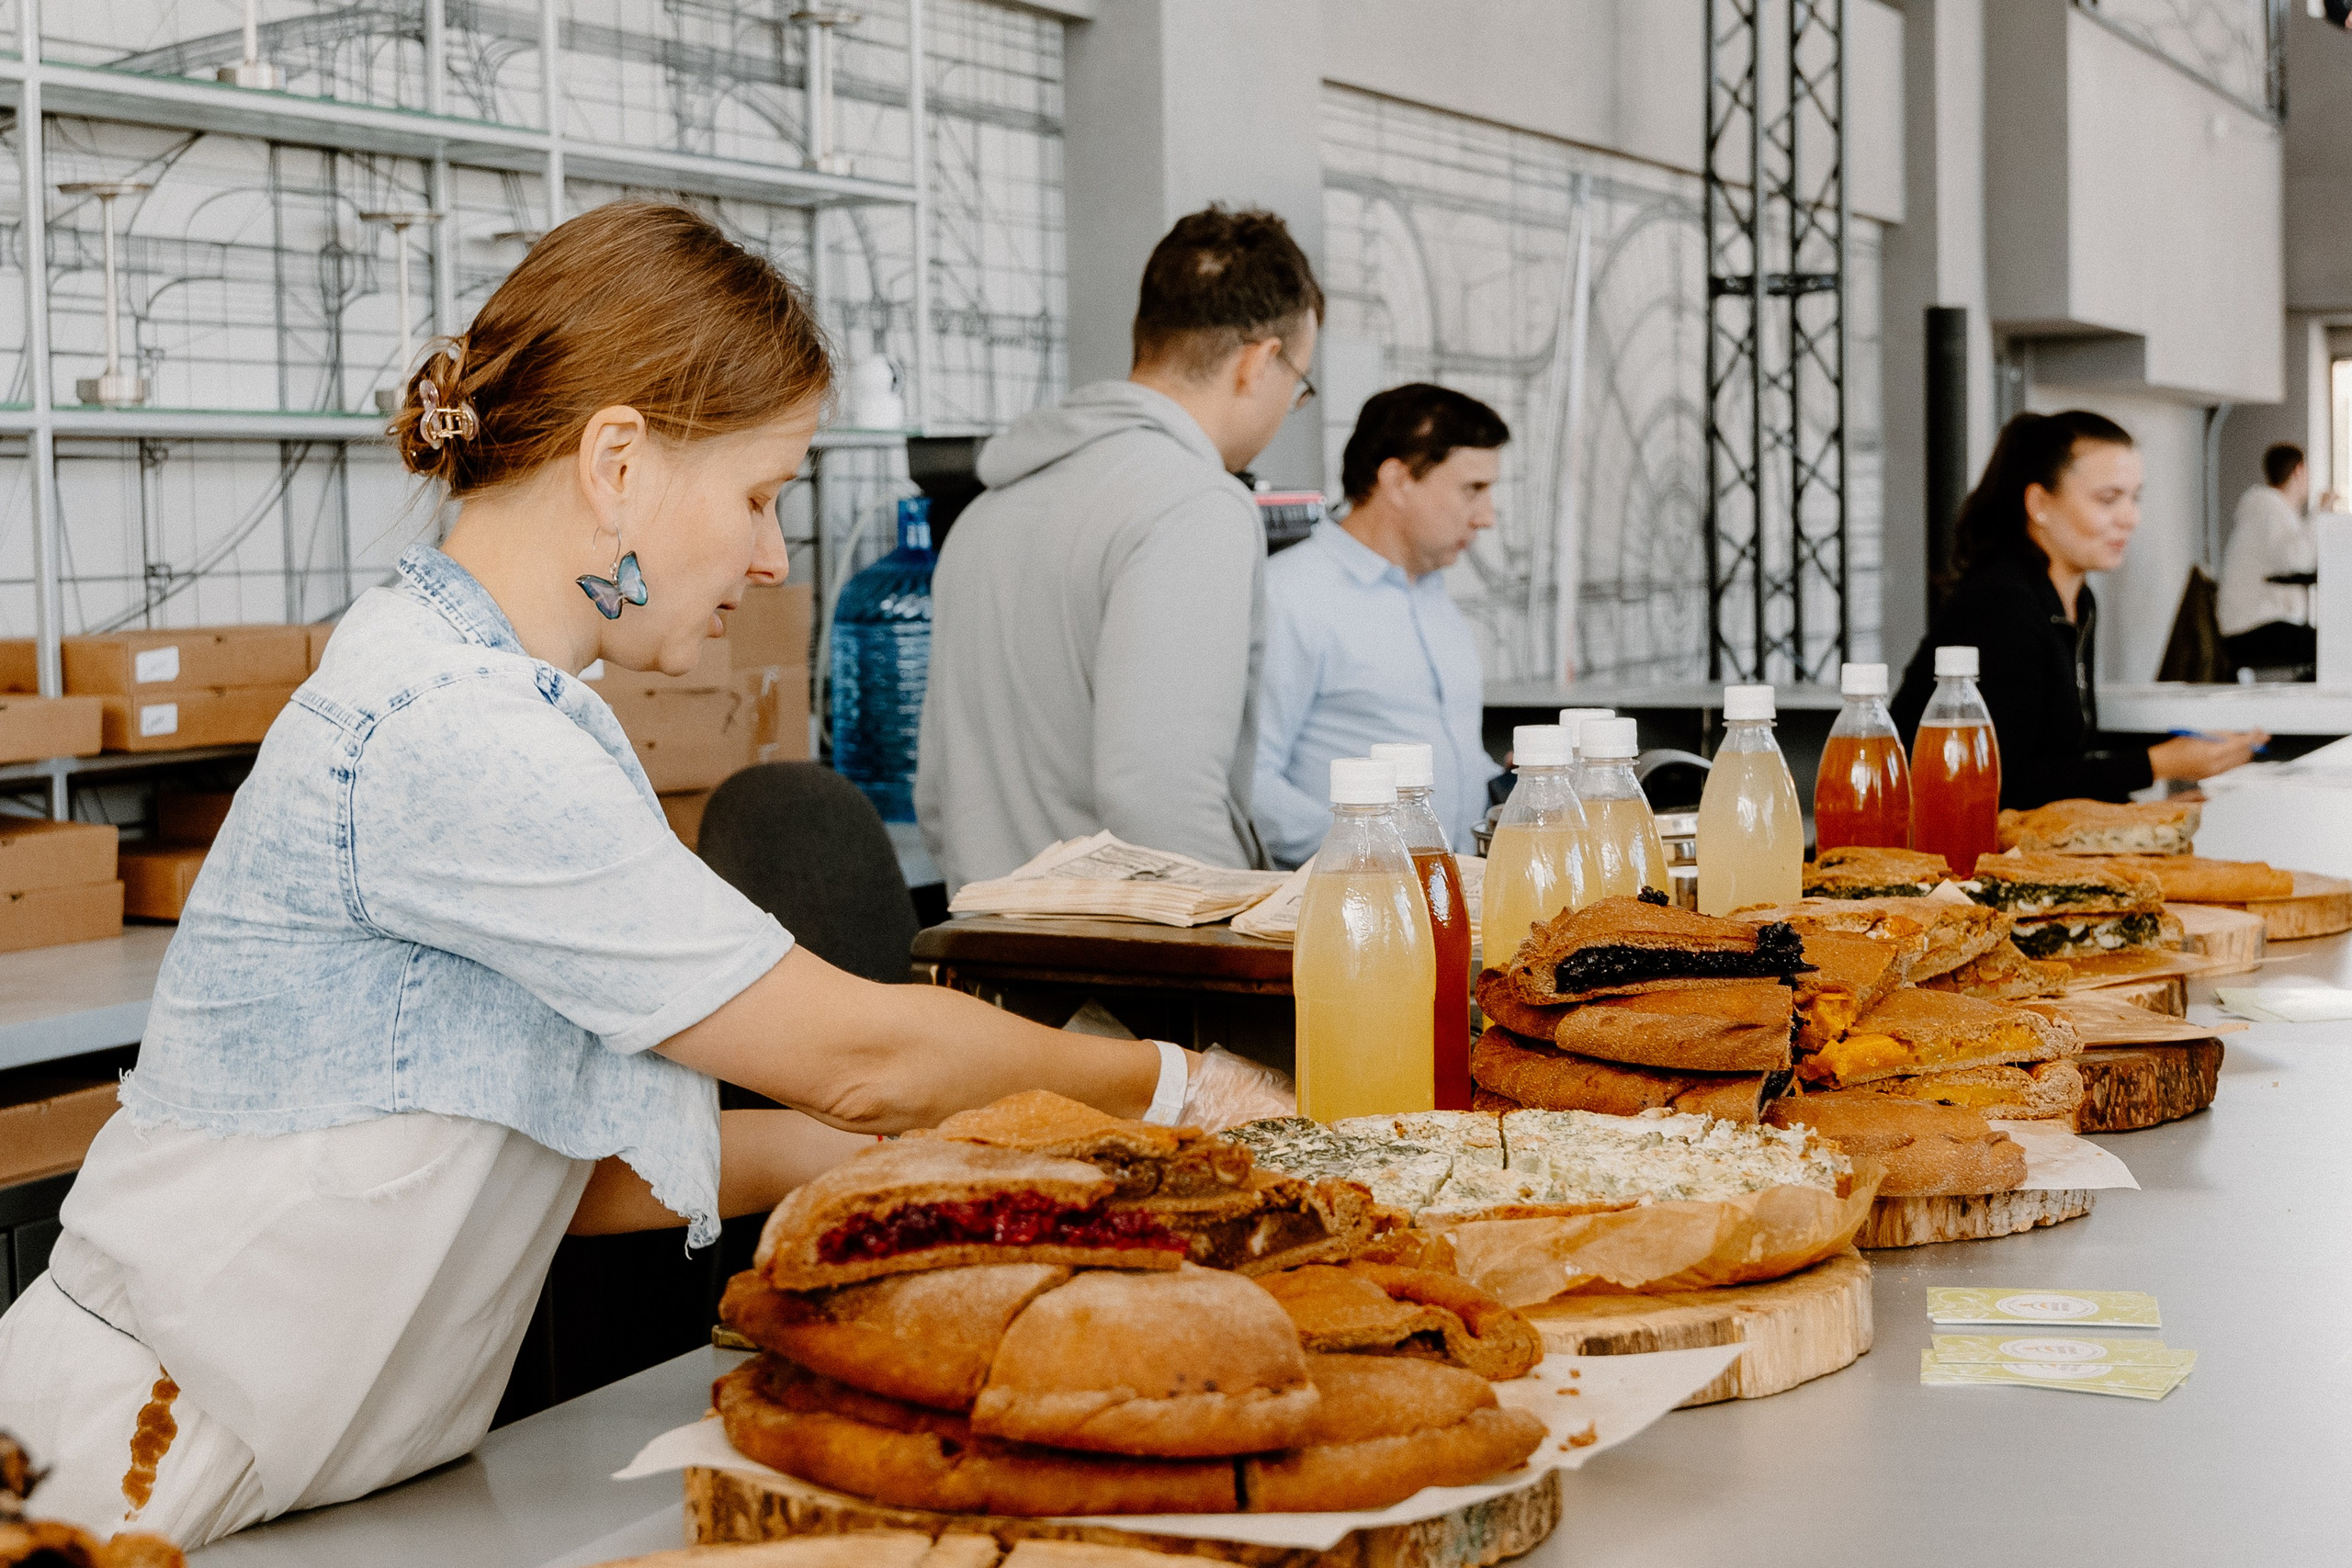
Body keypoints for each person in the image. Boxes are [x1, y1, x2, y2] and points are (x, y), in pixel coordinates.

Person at [0, 205, 1286, 1549]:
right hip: (128, 1459)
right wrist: (1175, 1089)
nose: (772, 556)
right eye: (758, 495)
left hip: (265, 1458)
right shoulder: (455, 729)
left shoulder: (492, 694)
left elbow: (554, 1163)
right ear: (616, 461)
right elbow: (857, 1052)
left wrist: (957, 1154)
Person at [916, 207, 1323, 890]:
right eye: (1299, 385)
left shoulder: (987, 510)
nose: (1288, 408)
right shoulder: (1194, 506)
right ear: (1260, 363)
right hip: (1128, 951)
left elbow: (937, 795)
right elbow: (1161, 798)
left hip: (985, 938)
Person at [1892, 410, 2266, 808]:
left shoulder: (2078, 601)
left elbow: (2059, 758)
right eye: (2108, 499)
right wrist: (2157, 764)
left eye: (2134, 497)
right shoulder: (2002, 604)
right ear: (2039, 504)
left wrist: (2139, 814)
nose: (2131, 518)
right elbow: (2004, 784)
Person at [1252, 383, 1509, 865]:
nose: (1486, 518)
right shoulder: (1289, 596)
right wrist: (1380, 861)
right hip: (1351, 896)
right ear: (1397, 481)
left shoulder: (1434, 597)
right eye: (1473, 489)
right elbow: (1251, 783)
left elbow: (1448, 759)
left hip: (1448, 892)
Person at [2216, 441, 2318, 676]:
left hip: (2251, 624)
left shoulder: (2268, 508)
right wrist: (2319, 516)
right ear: (2299, 471)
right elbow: (2297, 561)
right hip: (2250, 628)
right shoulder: (2267, 507)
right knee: (2332, 647)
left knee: (2326, 645)